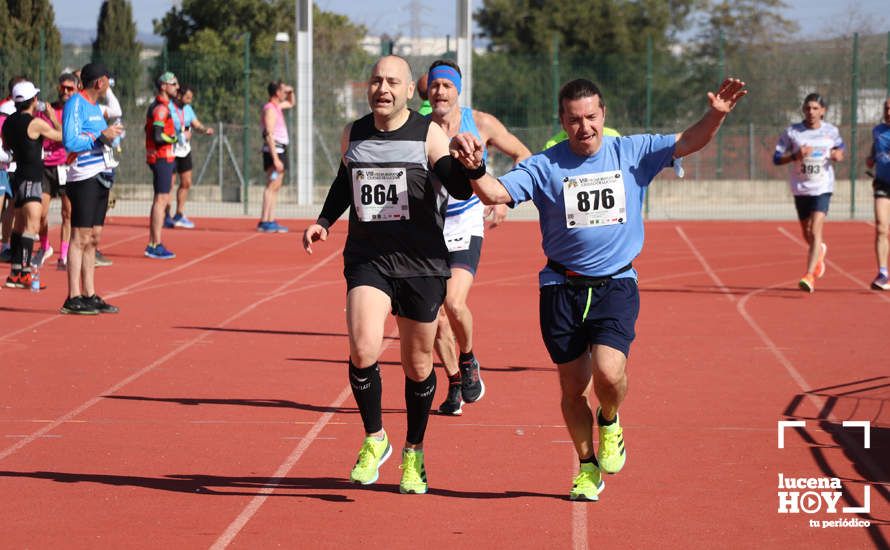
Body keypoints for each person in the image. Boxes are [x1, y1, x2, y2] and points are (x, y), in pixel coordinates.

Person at [450, 77, 748, 501]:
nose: (584, 127)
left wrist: (716, 114)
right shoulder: (544, 165)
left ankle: (610, 418)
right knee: (572, 389)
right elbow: (495, 191)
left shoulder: (632, 152)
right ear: (562, 121)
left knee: (608, 374)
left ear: (603, 115)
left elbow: (689, 141)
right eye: (574, 120)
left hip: (615, 283)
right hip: (560, 288)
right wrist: (476, 167)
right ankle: (587, 466)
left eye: (591, 117)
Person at [302, 55, 476, 495]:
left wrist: (465, 164)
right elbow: (346, 181)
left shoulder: (428, 134)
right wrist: (324, 220)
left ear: (407, 91)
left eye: (393, 82)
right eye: (377, 80)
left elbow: (456, 188)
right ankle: (375, 437)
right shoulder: (353, 133)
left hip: (422, 263)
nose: (383, 88)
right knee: (363, 346)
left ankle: (413, 451)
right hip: (369, 258)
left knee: (418, 366)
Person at [424, 59, 532, 415]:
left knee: (453, 304)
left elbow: (523, 155)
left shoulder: (481, 123)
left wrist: (504, 199)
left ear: (458, 91)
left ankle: (468, 359)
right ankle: (455, 381)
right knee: (436, 317)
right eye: (435, 86)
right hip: (431, 229)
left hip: (466, 222)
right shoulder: (420, 127)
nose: (440, 92)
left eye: (447, 86)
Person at [61, 62, 123, 314]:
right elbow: (70, 140)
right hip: (83, 176)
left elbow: (100, 137)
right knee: (80, 237)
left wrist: (111, 136)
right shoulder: (75, 104)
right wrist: (100, 136)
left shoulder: (96, 108)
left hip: (101, 174)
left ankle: (90, 293)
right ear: (100, 82)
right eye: (108, 80)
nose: (109, 84)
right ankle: (73, 296)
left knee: (94, 238)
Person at [772, 93, 845, 293]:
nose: (811, 112)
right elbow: (777, 158)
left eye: (815, 108)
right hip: (801, 188)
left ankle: (809, 275)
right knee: (807, 233)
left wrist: (839, 154)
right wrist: (795, 155)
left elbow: (840, 147)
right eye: (807, 108)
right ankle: (819, 250)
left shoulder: (831, 131)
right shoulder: (792, 132)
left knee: (815, 231)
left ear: (823, 111)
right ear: (803, 110)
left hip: (822, 187)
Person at [1, 80, 62, 289]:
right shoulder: (35, 123)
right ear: (33, 100)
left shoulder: (8, 122)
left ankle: (16, 272)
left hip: (17, 176)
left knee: (19, 226)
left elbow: (7, 145)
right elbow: (62, 137)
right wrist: (54, 118)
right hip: (32, 177)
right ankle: (24, 272)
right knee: (31, 225)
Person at [32, 73, 78, 270]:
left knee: (68, 213)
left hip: (66, 167)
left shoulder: (75, 111)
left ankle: (65, 255)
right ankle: (45, 246)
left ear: (76, 90)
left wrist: (54, 121)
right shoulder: (46, 109)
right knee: (40, 213)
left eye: (70, 88)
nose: (65, 92)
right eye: (63, 88)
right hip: (46, 167)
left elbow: (68, 138)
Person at [164, 85, 214, 230]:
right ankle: (166, 216)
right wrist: (177, 135)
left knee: (186, 182)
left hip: (184, 151)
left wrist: (204, 130)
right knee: (169, 185)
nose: (190, 101)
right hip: (171, 150)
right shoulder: (169, 108)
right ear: (179, 96)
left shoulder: (188, 109)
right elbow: (165, 129)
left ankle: (179, 214)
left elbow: (196, 124)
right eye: (187, 97)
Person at [144, 72, 179, 259]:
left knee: (162, 199)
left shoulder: (163, 107)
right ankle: (154, 243)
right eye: (174, 84)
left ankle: (154, 242)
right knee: (161, 200)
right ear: (164, 86)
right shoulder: (161, 109)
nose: (177, 87)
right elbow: (158, 136)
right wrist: (173, 138)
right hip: (161, 158)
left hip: (164, 157)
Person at [258, 81, 294, 233]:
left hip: (280, 150)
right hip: (275, 151)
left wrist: (290, 90)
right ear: (276, 93)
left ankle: (270, 219)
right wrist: (275, 159)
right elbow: (269, 135)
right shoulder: (270, 110)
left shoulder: (277, 107)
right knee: (271, 185)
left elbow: (292, 103)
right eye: (283, 90)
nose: (285, 93)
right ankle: (265, 220)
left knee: (276, 186)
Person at [866, 97, 890, 291]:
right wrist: (872, 159)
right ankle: (883, 273)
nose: (888, 112)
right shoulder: (878, 131)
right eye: (886, 108)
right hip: (883, 184)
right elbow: (876, 150)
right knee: (881, 227)